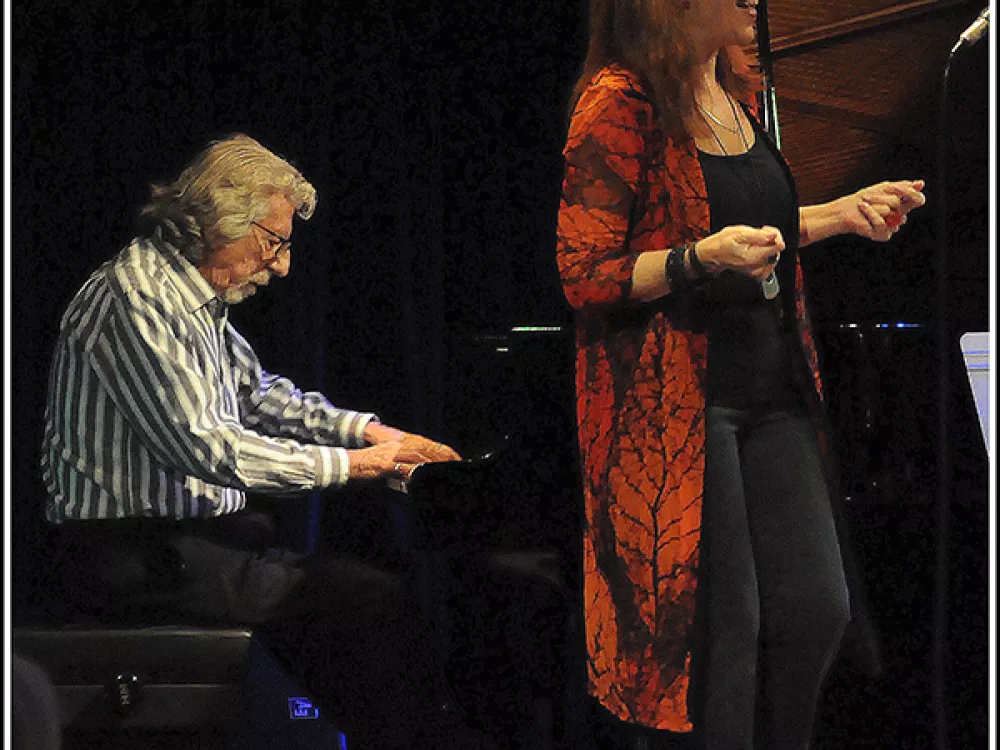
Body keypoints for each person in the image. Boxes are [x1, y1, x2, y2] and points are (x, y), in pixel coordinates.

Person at [555, 2, 926, 749]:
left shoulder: (735, 92)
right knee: (727, 630)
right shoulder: (621, 103)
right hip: (679, 408)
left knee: (817, 608)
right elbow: (583, 273)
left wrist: (841, 214)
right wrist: (698, 259)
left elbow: (753, 228)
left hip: (772, 392)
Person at [39, 134, 488, 750]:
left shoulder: (190, 297)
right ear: (219, 220)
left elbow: (257, 396)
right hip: (130, 556)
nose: (281, 265)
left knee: (362, 598)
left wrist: (371, 432)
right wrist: (360, 465)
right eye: (273, 241)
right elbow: (208, 448)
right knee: (366, 605)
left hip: (190, 544)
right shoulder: (137, 295)